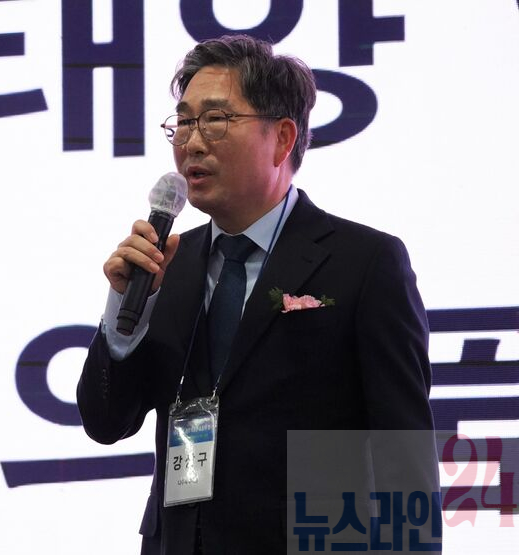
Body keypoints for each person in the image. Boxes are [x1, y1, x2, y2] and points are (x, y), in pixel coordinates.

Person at [77, 35, 438, 554]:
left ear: (282, 138)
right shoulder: (166, 265)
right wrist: (124, 311)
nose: (191, 142)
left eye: (215, 120)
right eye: (183, 122)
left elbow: (404, 461)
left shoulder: (364, 263)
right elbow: (106, 423)